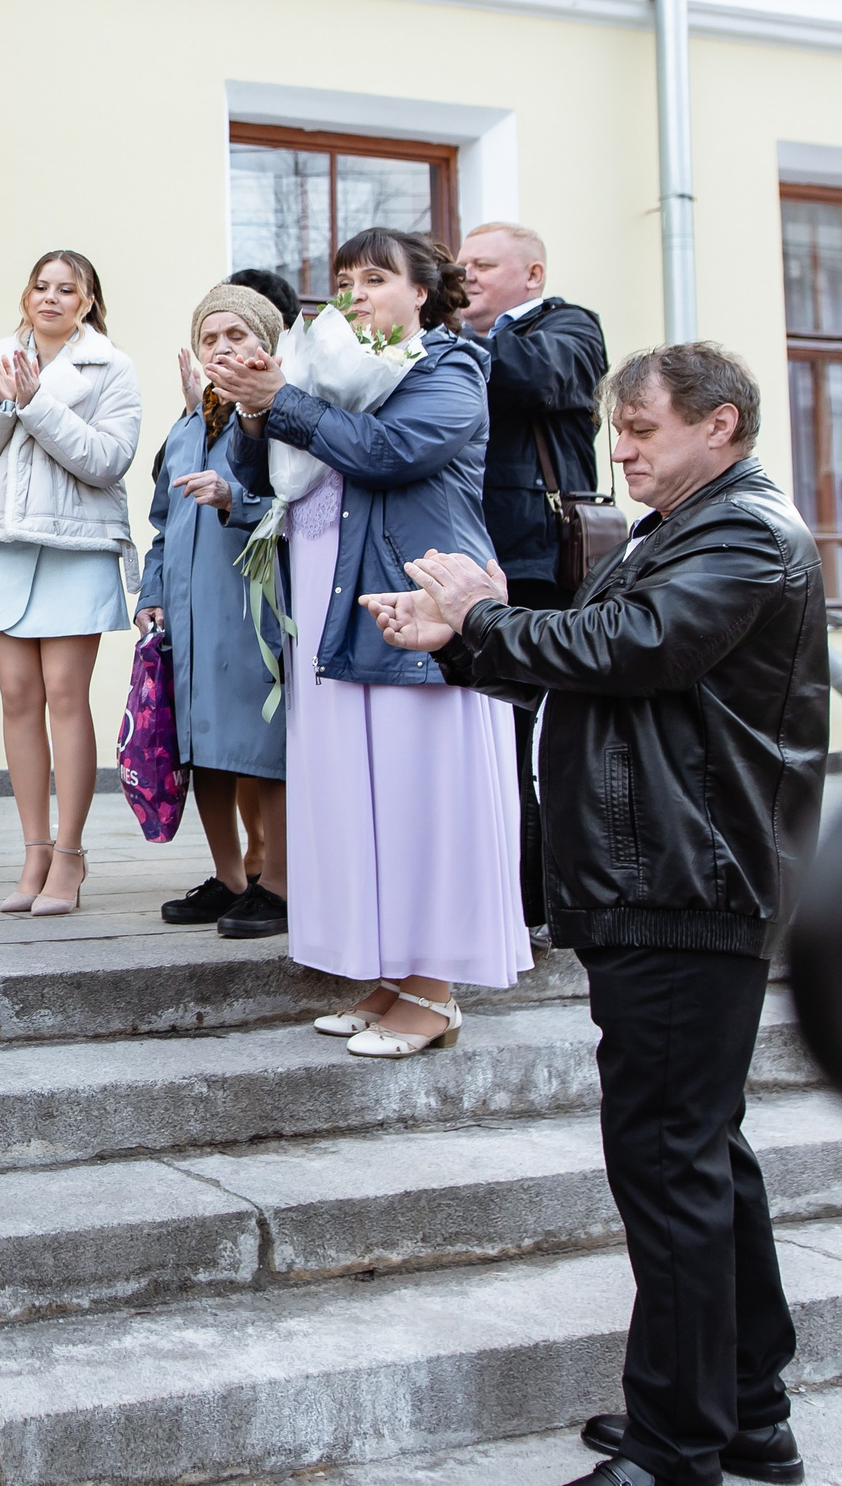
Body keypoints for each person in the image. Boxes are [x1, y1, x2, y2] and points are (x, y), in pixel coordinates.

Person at [363, 341, 825, 1486]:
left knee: (671, 1170)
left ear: (718, 426)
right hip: (669, 875)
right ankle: (745, 1419)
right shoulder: (689, 527)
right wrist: (467, 638)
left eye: (640, 431)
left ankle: (677, 1450)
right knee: (701, 1161)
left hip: (686, 880)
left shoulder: (743, 531)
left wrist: (479, 621)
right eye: (616, 429)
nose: (616, 451)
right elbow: (598, 663)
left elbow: (633, 647)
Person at [209, 227, 528, 1056]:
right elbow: (263, 480)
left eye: (377, 277)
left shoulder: (452, 369)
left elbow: (388, 453)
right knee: (361, 798)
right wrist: (252, 407)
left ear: (423, 292)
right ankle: (390, 976)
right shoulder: (325, 373)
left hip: (420, 609)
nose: (355, 291)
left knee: (424, 800)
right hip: (337, 607)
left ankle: (436, 990)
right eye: (345, 278)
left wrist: (283, 398)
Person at [0, 250, 141, 914]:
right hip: (2, 543)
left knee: (64, 695)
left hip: (75, 547)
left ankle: (70, 855)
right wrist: (6, 399)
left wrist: (35, 403)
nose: (51, 297)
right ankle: (32, 852)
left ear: (87, 301)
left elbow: (106, 460)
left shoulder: (112, 366)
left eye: (68, 289)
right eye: (41, 286)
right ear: (26, 294)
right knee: (18, 696)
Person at [458, 221, 610, 940]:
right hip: (475, 560)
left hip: (543, 564)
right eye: (459, 267)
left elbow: (536, 379)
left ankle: (538, 902)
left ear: (533, 275)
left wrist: (463, 330)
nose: (467, 277)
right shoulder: (461, 342)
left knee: (537, 740)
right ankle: (503, 891)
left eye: (483, 265)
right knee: (487, 738)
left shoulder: (569, 326)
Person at [136, 286, 288, 938]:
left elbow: (293, 508)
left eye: (235, 336)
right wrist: (152, 595)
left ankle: (278, 882)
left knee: (261, 742)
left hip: (252, 609)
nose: (221, 349)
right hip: (189, 613)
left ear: (265, 345)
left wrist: (234, 497)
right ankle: (229, 876)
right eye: (209, 339)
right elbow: (163, 525)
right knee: (201, 746)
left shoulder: (282, 415)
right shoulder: (185, 426)